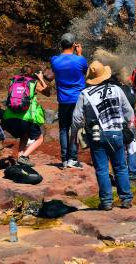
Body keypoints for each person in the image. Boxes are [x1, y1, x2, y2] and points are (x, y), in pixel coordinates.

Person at [71, 61, 134, 210]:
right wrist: (129, 128)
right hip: (116, 132)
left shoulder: (85, 94)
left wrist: (75, 135)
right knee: (120, 167)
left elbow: (77, 118)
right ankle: (125, 199)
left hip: (96, 134)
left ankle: (106, 202)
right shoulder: (117, 89)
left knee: (102, 169)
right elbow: (129, 112)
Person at [50, 33, 88, 169]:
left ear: (61, 45)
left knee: (63, 129)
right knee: (75, 128)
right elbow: (84, 71)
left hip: (63, 99)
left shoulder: (54, 60)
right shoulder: (80, 60)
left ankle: (64, 160)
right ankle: (73, 158)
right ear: (74, 45)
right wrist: (79, 53)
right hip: (78, 99)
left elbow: (57, 69)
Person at [3, 65, 51, 166]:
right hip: (26, 116)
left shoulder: (13, 81)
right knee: (39, 139)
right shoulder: (33, 83)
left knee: (24, 136)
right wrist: (41, 79)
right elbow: (47, 93)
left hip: (10, 115)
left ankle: (20, 159)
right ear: (32, 73)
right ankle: (24, 157)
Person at [109, 67, 136, 181]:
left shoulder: (113, 90)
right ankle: (132, 172)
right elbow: (133, 103)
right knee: (131, 145)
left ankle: (121, 173)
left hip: (116, 121)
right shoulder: (129, 89)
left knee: (119, 147)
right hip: (129, 120)